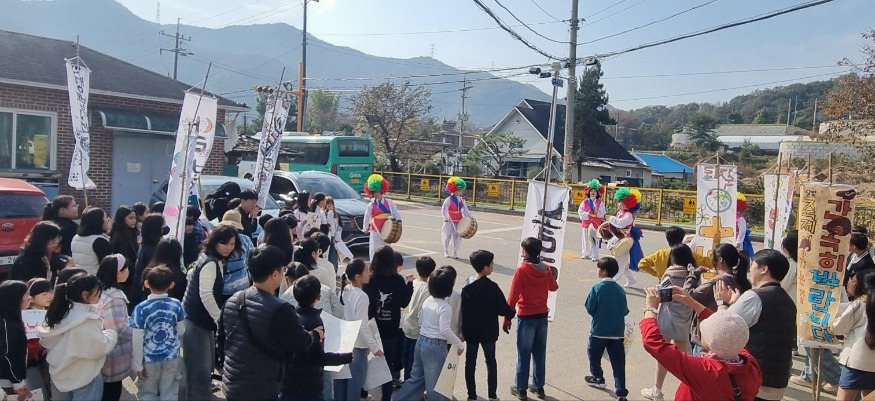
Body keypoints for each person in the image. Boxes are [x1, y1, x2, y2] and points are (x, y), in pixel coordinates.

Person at [218, 245, 322, 401]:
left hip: (233, 383)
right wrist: (314, 334)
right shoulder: (280, 309)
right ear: (275, 274)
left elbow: (221, 340)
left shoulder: (232, 301)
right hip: (262, 386)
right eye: (282, 270)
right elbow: (300, 342)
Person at [641, 287, 762, 400]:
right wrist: (691, 302)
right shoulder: (750, 363)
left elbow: (654, 343)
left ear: (710, 343)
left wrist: (650, 309)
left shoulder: (705, 371)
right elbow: (726, 330)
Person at [714, 249, 795, 401]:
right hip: (777, 381)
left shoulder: (755, 297)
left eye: (754, 265)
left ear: (764, 269)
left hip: (754, 380)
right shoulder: (788, 301)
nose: (750, 269)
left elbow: (720, 329)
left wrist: (722, 304)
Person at [180, 225, 239, 401]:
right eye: (225, 243)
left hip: (197, 319)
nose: (229, 247)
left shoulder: (209, 258)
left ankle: (201, 394)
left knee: (203, 364)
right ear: (215, 242)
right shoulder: (211, 262)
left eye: (232, 244)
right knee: (200, 365)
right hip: (197, 320)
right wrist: (219, 318)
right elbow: (205, 294)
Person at [38, 273, 118, 401]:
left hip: (59, 376)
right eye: (97, 292)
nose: (100, 295)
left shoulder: (59, 313)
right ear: (85, 295)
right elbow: (98, 348)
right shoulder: (86, 320)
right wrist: (111, 334)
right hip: (84, 376)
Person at [395, 265, 464, 401]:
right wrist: (459, 344)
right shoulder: (445, 307)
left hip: (421, 341)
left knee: (416, 379)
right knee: (436, 385)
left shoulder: (428, 301)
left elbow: (420, 320)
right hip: (435, 346)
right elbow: (445, 330)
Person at [281, 275, 354, 401]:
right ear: (318, 297)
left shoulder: (290, 316)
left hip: (288, 382)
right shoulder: (315, 322)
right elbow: (317, 357)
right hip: (309, 385)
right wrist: (345, 357)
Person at [641, 245, 697, 401]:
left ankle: (657, 390)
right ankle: (691, 388)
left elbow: (661, 296)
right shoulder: (692, 276)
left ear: (673, 258)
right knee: (686, 361)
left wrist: (651, 295)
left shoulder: (670, 275)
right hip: (684, 321)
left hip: (667, 320)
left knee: (663, 357)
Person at [506, 237, 559, 400]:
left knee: (523, 352)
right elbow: (553, 287)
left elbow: (513, 296)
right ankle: (538, 386)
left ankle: (521, 388)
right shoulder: (546, 268)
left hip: (526, 315)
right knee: (539, 352)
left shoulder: (522, 269)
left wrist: (507, 317)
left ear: (526, 252)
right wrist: (552, 275)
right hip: (542, 315)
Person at [460, 250, 515, 401]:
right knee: (491, 362)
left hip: (471, 332)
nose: (493, 266)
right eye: (491, 264)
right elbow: (503, 309)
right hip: (488, 332)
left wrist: (462, 330)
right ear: (485, 268)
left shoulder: (467, 286)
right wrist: (512, 312)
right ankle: (492, 395)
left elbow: (462, 311)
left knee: (470, 364)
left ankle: (471, 395)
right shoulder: (492, 287)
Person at [362, 245, 413, 400]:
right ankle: (386, 397)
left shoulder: (369, 280)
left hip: (371, 328)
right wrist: (410, 285)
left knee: (366, 363)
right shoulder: (398, 280)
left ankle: (363, 394)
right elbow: (404, 303)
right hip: (391, 329)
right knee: (388, 366)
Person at [683, 243, 752, 358]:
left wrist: (694, 274)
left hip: (707, 335)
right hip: (727, 334)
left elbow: (688, 294)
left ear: (719, 259)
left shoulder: (719, 280)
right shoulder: (739, 280)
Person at [130, 266, 186, 401]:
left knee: (148, 393)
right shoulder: (176, 304)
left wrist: (137, 364)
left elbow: (136, 339)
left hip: (149, 359)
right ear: (171, 285)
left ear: (146, 283)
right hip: (172, 356)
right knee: (170, 391)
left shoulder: (140, 309)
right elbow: (181, 330)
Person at [335, 258, 383, 401]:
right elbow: (362, 324)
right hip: (358, 346)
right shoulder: (362, 296)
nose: (369, 273)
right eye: (366, 271)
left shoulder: (344, 291)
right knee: (354, 387)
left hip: (343, 344)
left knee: (340, 386)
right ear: (358, 276)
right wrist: (374, 347)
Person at [583, 257, 629, 400]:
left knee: (593, 355)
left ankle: (598, 377)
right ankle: (621, 391)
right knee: (618, 362)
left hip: (599, 331)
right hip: (617, 332)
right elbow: (625, 310)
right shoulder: (620, 290)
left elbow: (590, 307)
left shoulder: (597, 288)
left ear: (603, 272)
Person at [94, 254, 133, 401]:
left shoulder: (99, 290)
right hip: (113, 357)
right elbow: (119, 329)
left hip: (102, 354)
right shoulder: (114, 296)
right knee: (111, 394)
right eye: (125, 268)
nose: (128, 270)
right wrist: (137, 332)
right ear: (118, 273)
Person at [832, 270, 874, 401]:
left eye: (853, 280)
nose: (849, 282)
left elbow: (839, 328)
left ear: (862, 285)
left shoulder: (859, 304)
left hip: (856, 363)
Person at [400, 256, 436, 381]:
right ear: (432, 272)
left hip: (406, 325)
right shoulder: (428, 290)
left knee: (406, 356)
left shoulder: (412, 283)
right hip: (418, 329)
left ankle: (404, 380)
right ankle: (410, 385)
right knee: (414, 360)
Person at [638, 226, 713, 279]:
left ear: (667, 238)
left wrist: (656, 274)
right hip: (684, 286)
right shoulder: (690, 254)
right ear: (682, 238)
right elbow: (710, 263)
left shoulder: (659, 254)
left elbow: (642, 264)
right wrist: (715, 244)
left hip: (664, 285)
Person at [0, 280, 32, 401]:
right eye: (26, 294)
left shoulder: (9, 321)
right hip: (7, 384)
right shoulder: (7, 324)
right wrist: (18, 382)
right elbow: (7, 355)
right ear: (15, 298)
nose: (29, 297)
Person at [361, 174, 402, 260]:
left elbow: (395, 212)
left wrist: (399, 220)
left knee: (386, 251)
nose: (376, 194)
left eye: (377, 191)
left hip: (387, 228)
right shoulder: (371, 205)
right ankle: (373, 267)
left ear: (382, 191)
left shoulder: (389, 202)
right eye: (374, 192)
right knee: (374, 249)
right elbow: (367, 216)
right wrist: (365, 227)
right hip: (375, 229)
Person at [608, 188, 643, 287]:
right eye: (619, 201)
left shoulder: (628, 215)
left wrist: (611, 219)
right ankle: (630, 279)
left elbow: (620, 223)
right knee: (621, 261)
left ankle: (613, 281)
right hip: (619, 238)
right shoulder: (621, 213)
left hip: (625, 240)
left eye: (622, 202)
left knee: (619, 261)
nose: (619, 204)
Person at [216, 209, 254, 299]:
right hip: (233, 289)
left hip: (231, 288)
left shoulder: (245, 240)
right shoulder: (246, 240)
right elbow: (252, 261)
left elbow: (252, 261)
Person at [25, 278, 52, 397]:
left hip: (47, 360)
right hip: (32, 362)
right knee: (39, 393)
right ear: (31, 298)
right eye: (44, 294)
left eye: (50, 292)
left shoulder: (49, 311)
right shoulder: (25, 315)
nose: (49, 296)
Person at [131, 214, 165, 308]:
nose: (164, 228)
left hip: (141, 287)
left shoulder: (145, 244)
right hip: (148, 290)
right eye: (162, 226)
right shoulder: (153, 249)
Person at [71, 208, 112, 275]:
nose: (108, 220)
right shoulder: (100, 241)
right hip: (94, 279)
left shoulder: (76, 237)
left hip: (78, 277)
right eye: (105, 217)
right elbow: (107, 266)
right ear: (98, 221)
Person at [441, 177, 473, 259]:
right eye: (459, 190)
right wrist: (445, 217)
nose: (460, 192)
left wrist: (470, 217)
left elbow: (465, 210)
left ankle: (455, 252)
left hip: (459, 219)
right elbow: (444, 209)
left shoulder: (462, 200)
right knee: (447, 235)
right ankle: (446, 251)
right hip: (450, 219)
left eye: (461, 190)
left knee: (457, 236)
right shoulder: (448, 200)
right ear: (453, 190)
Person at [578, 179, 606, 261]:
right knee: (585, 238)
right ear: (588, 192)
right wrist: (587, 214)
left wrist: (597, 211)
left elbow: (602, 212)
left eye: (595, 191)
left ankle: (594, 255)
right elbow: (580, 212)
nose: (593, 192)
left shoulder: (600, 202)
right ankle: (585, 253)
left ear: (597, 193)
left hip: (595, 224)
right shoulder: (585, 202)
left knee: (594, 239)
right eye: (591, 191)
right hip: (586, 223)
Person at [109, 206, 139, 275]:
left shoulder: (132, 233)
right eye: (130, 218)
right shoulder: (118, 236)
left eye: (135, 218)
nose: (134, 221)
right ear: (122, 219)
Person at [325, 196, 353, 264]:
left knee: (335, 255)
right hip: (328, 237)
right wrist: (330, 212)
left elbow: (339, 226)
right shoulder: (324, 214)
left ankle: (335, 270)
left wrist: (338, 236)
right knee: (329, 255)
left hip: (335, 238)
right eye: (328, 203)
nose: (330, 205)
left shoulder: (336, 215)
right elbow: (329, 223)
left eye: (332, 203)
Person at [780, 231, 799, 300]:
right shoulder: (800, 262)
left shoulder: (792, 264)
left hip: (791, 299)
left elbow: (784, 286)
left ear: (785, 249)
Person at [736, 194, 755, 260]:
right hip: (733, 238)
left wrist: (738, 242)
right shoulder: (733, 217)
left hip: (740, 242)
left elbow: (742, 231)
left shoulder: (740, 218)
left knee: (741, 256)